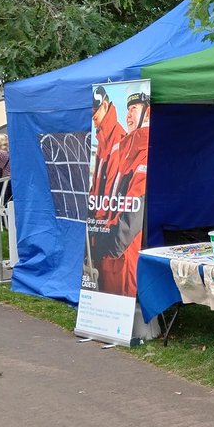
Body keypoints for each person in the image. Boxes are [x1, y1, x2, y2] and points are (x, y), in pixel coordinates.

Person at [92, 91, 149, 296]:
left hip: (121, 254)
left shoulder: (139, 151)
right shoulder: (125, 147)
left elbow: (134, 210)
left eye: (135, 108)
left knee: (122, 295)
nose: (129, 114)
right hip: (109, 250)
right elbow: (104, 191)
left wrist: (108, 245)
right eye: (128, 109)